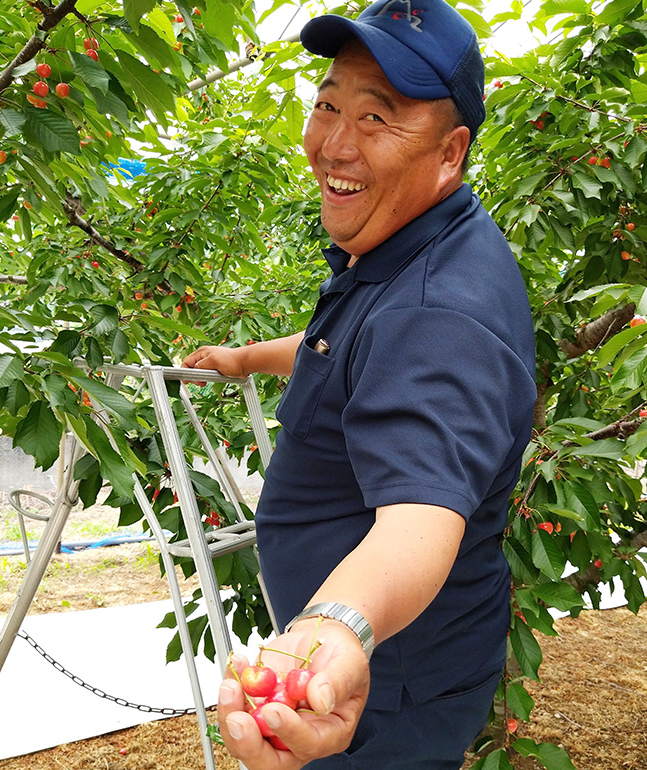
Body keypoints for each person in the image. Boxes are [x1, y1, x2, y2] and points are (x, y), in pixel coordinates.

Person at [182, 0, 536, 767]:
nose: (332, 145)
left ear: (449, 153)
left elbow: (420, 517)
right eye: (328, 105)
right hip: (410, 664)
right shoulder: (404, 246)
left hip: (384, 692)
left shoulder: (434, 312)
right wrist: (246, 357)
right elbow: (341, 347)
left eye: (376, 119)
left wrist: (336, 626)